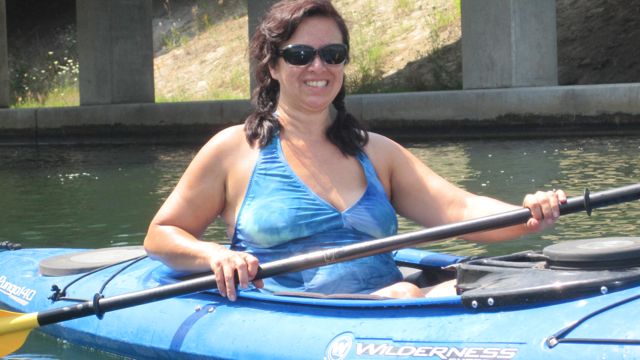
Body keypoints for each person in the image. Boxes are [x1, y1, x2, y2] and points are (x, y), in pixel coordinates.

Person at [143, 0, 567, 301]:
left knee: (429, 289)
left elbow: (459, 210)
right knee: (404, 292)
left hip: (394, 303)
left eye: (333, 54)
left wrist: (527, 215)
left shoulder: (378, 152)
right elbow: (161, 235)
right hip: (291, 312)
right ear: (272, 66)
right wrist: (216, 254)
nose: (318, 67)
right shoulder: (233, 150)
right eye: (300, 54)